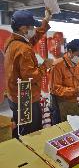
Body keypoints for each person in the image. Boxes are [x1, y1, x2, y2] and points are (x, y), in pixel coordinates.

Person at [4, 9, 52, 138]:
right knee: (31, 132)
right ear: (24, 28)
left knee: (20, 126)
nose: (33, 30)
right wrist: (45, 66)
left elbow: (33, 38)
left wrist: (46, 20)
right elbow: (30, 76)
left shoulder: (12, 42)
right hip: (26, 98)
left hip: (14, 94)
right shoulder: (23, 49)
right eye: (32, 27)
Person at [50, 39, 79, 122]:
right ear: (70, 52)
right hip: (60, 102)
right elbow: (55, 89)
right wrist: (75, 90)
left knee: (76, 124)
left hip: (74, 100)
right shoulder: (57, 65)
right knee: (63, 126)